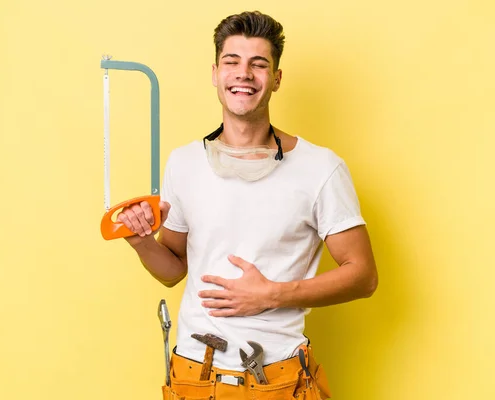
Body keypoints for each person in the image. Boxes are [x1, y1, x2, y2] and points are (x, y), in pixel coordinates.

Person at [117, 10, 378, 400]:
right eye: (232, 62)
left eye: (259, 64)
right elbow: (172, 270)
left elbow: (363, 276)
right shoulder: (184, 162)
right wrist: (140, 240)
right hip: (193, 376)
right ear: (215, 73)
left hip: (277, 379)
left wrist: (272, 294)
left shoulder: (320, 167)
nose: (244, 73)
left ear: (276, 78)